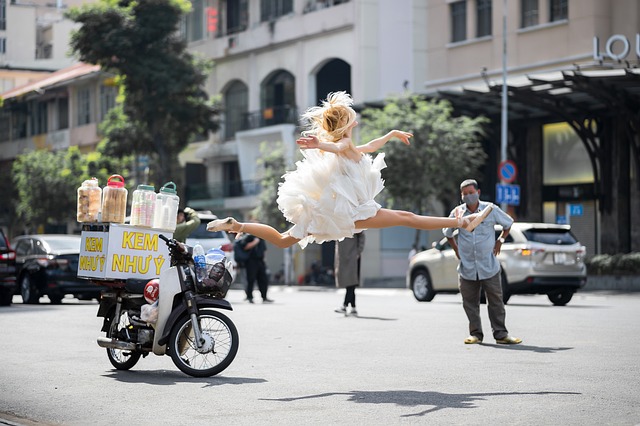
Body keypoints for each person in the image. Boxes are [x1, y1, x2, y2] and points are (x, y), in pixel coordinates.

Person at [207, 91, 491, 248]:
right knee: (408, 216)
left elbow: (369, 146)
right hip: (351, 212)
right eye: (353, 119)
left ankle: (238, 225)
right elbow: (340, 148)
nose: (356, 122)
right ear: (347, 124)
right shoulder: (342, 144)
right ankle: (462, 223)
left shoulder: (350, 146)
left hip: (332, 213)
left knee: (282, 240)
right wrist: (321, 143)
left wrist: (392, 133)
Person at [443, 179, 522, 345]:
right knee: (469, 303)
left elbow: (508, 223)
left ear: (478, 192)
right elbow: (448, 232)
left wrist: (500, 240)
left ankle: (501, 334)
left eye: (471, 193)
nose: (468, 196)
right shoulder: (457, 212)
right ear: (461, 196)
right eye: (465, 194)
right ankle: (476, 334)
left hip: (489, 266)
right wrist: (456, 249)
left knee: (495, 301)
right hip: (467, 267)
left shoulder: (490, 209)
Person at [334, 231, 365, 316]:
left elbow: (361, 236)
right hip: (343, 256)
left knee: (351, 281)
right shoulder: (339, 222)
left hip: (352, 255)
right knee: (350, 282)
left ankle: (345, 306)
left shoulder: (355, 221)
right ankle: (353, 307)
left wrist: (358, 251)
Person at [236, 233, 273, 304]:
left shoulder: (261, 238)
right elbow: (245, 247)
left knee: (263, 280)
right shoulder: (248, 237)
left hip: (260, 261)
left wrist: (264, 261)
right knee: (250, 280)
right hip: (251, 261)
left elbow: (264, 250)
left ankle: (264, 297)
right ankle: (249, 297)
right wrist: (255, 242)